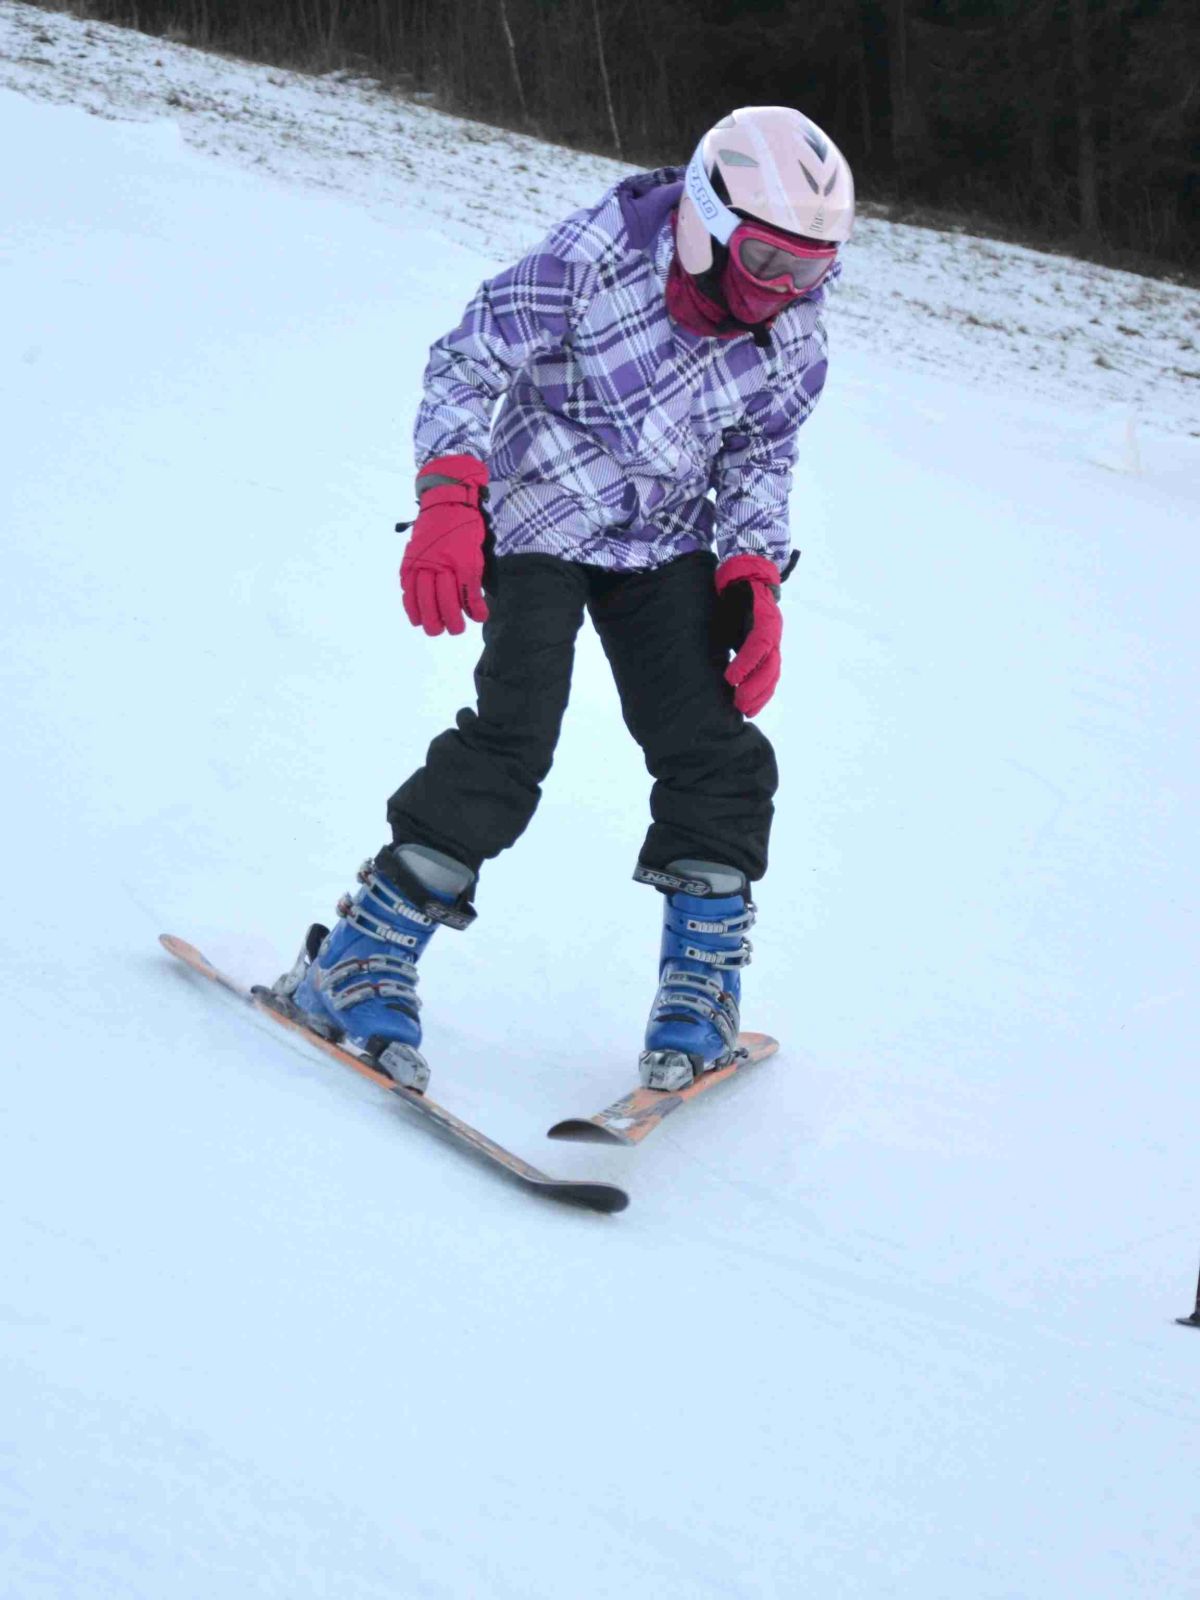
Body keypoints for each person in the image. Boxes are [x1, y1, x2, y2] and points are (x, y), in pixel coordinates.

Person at [270, 105, 855, 1094]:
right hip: (538, 512)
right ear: (707, 222)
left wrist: (753, 574)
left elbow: (761, 454)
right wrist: (450, 497)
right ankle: (358, 957)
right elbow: (469, 358)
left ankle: (699, 991)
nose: (784, 291)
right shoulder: (594, 256)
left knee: (713, 752)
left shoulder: (792, 330)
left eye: (812, 269)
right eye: (767, 261)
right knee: (514, 737)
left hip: (662, 539)